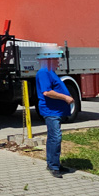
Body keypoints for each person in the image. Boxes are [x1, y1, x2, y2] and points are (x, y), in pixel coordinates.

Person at [35, 49, 75, 178]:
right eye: (56, 59)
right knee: (55, 137)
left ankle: (55, 163)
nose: (58, 62)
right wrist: (66, 98)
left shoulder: (50, 72)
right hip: (50, 111)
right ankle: (53, 166)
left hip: (56, 111)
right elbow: (47, 92)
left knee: (54, 137)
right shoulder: (43, 73)